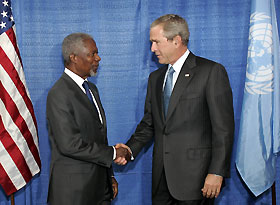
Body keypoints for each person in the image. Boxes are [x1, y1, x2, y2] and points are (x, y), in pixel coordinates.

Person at [116, 14, 234, 204]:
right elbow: (150, 123)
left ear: (177, 40)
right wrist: (130, 149)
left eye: (156, 42)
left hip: (197, 180)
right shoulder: (155, 78)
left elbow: (223, 129)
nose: (152, 49)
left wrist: (216, 172)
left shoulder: (211, 72)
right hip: (161, 181)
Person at [46, 33, 130, 205]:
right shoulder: (59, 94)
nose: (98, 58)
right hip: (74, 194)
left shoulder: (91, 89)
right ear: (74, 57)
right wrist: (113, 153)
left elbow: (99, 137)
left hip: (100, 190)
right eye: (92, 54)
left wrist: (109, 176)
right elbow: (69, 145)